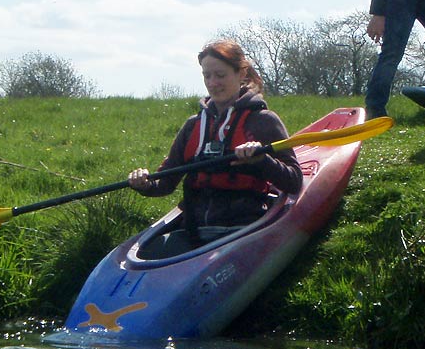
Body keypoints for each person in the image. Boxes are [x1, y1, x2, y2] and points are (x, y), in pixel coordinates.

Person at [127, 40, 303, 256]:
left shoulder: (263, 121)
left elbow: (294, 181)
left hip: (243, 230)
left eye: (220, 75)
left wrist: (261, 160)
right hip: (193, 231)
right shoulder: (193, 125)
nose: (213, 83)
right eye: (206, 75)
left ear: (241, 73)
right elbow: (164, 184)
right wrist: (144, 184)